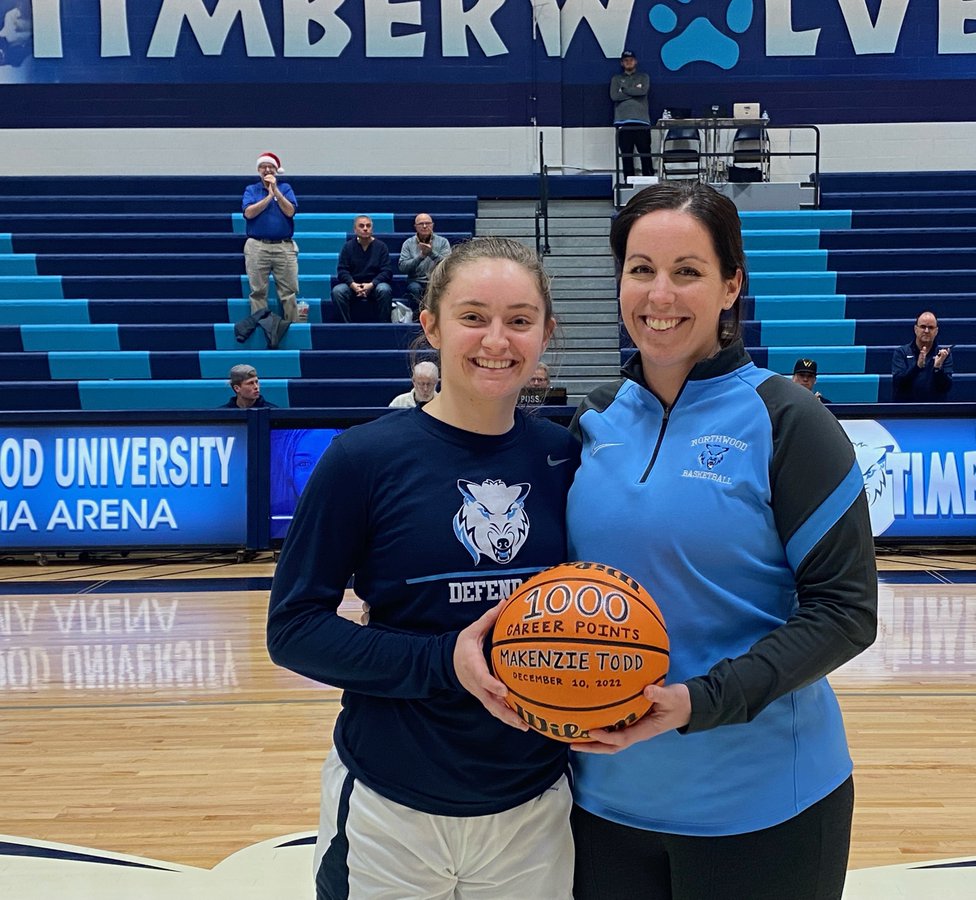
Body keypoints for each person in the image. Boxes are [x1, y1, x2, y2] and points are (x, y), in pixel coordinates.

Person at [565, 182, 878, 900]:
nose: (659, 294)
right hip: (603, 806)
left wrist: (700, 701)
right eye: (640, 269)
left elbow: (845, 611)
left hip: (765, 804)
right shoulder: (590, 423)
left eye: (688, 271)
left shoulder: (789, 421)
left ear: (731, 284)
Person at [266, 236, 578, 899]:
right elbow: (293, 628)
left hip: (534, 804)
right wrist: (444, 662)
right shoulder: (363, 459)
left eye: (519, 320)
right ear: (431, 324)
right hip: (390, 806)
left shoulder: (567, 459)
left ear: (546, 333)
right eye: (473, 316)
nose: (497, 339)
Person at [242, 151, 300, 323]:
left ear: (277, 170)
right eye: (263, 167)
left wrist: (275, 191)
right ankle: (263, 327)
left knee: (289, 291)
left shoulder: (286, 188)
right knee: (258, 291)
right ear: (258, 170)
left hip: (283, 246)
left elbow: (290, 211)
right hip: (257, 246)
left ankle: (294, 326)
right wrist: (268, 196)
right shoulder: (251, 190)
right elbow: (249, 213)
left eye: (271, 167)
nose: (267, 170)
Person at [331, 215, 394, 323]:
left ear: (372, 229)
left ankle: (384, 324)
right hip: (353, 286)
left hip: (375, 285)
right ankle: (346, 327)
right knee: (338, 291)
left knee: (385, 290)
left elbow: (387, 271)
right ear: (355, 229)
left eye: (368, 226)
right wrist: (353, 285)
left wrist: (371, 284)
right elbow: (342, 271)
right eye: (361, 226)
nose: (365, 228)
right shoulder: (348, 247)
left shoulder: (381, 246)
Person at [396, 213, 451, 318]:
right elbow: (402, 267)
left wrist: (431, 253)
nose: (425, 226)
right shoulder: (408, 243)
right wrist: (420, 257)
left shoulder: (443, 242)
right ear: (415, 227)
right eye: (421, 224)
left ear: (433, 225)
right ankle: (418, 318)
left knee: (442, 288)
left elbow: (447, 264)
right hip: (416, 281)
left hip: (437, 281)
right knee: (414, 288)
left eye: (428, 223)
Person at [892, 311, 953, 402]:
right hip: (905, 410)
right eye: (923, 327)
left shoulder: (943, 355)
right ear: (915, 329)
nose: (926, 331)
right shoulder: (901, 352)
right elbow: (898, 384)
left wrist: (937, 369)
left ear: (936, 331)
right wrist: (917, 367)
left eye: (931, 327)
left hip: (935, 410)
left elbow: (945, 388)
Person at [610, 49, 653, 179]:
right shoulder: (616, 79)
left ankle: (649, 182)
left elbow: (643, 91)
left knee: (645, 153)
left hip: (641, 121)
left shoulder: (643, 77)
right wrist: (634, 91)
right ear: (622, 63)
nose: (628, 62)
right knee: (626, 154)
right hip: (623, 122)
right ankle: (628, 182)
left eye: (631, 60)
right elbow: (614, 96)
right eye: (626, 61)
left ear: (635, 62)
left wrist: (624, 90)